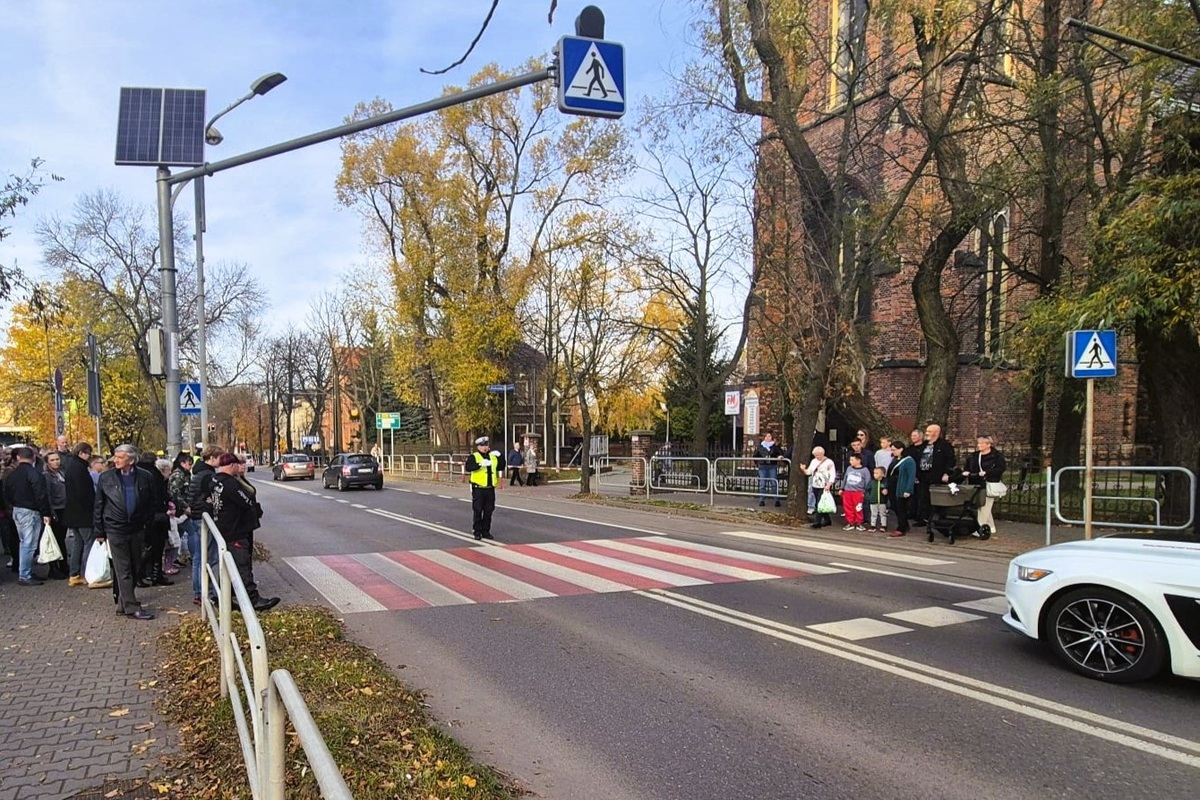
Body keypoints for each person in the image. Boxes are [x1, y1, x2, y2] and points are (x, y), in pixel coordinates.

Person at [211, 453, 279, 613]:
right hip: (235, 530)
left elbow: (209, 502)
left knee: (228, 566)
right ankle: (253, 599)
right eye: (238, 464)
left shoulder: (214, 481)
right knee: (242, 565)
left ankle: (223, 598)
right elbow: (247, 501)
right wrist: (256, 510)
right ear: (232, 465)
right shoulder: (230, 484)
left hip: (223, 528)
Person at [93, 444, 155, 620]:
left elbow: (151, 502)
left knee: (136, 566)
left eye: (119, 457)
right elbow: (98, 505)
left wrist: (147, 524)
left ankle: (123, 602)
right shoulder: (106, 478)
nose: (115, 460)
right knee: (123, 568)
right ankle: (131, 606)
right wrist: (99, 531)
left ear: (131, 459)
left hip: (136, 527)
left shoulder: (145, 477)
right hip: (115, 528)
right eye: (115, 457)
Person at [2, 446, 52, 586]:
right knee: (29, 544)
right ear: (34, 457)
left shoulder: (12, 474)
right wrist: (46, 512)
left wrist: (11, 506)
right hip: (30, 510)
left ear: (18, 457)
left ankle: (25, 570)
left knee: (23, 541)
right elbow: (41, 494)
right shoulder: (34, 473)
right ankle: (25, 574)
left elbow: (6, 491)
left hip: (17, 509)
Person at [186, 446, 224, 604]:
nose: (221, 461)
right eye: (219, 457)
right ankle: (204, 592)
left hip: (196, 516)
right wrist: (210, 503)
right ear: (213, 458)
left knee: (198, 556)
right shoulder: (208, 475)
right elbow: (207, 497)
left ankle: (199, 592)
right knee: (208, 557)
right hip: (204, 517)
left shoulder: (198, 473)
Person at [136, 451, 172, 587]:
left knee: (145, 547)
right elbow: (158, 495)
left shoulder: (137, 473)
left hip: (141, 516)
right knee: (156, 547)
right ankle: (155, 575)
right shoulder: (154, 475)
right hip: (156, 516)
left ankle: (141, 574)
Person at [63, 442, 97, 586]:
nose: (89, 457)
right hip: (83, 513)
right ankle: (88, 573)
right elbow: (84, 492)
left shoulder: (71, 466)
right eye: (88, 453)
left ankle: (74, 573)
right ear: (82, 453)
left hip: (73, 512)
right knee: (88, 541)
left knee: (78, 543)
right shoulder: (80, 468)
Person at [962, 435, 1007, 538]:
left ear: (988, 445)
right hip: (976, 483)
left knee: (984, 506)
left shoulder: (997, 456)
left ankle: (979, 528)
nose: (979, 445)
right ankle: (991, 526)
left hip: (989, 484)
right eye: (978, 443)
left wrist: (988, 472)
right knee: (982, 505)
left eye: (982, 443)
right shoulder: (974, 456)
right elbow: (968, 467)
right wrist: (967, 472)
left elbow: (1000, 469)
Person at [915, 423, 956, 525]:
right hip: (923, 474)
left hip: (937, 475)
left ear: (936, 433)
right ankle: (924, 518)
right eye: (927, 431)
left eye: (929, 431)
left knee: (937, 497)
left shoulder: (944, 445)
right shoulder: (923, 445)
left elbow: (951, 460)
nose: (926, 433)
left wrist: (947, 473)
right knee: (923, 496)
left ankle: (939, 518)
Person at [465, 436, 505, 540]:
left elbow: (501, 466)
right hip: (478, 488)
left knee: (489, 510)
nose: (485, 447)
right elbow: (468, 467)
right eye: (482, 446)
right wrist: (479, 464)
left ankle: (486, 531)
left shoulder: (492, 457)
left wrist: (500, 456)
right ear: (478, 447)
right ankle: (477, 532)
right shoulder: (474, 456)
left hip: (489, 488)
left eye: (486, 445)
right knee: (478, 510)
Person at [41, 451, 70, 579]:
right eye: (52, 460)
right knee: (54, 539)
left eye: (57, 459)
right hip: (55, 510)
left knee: (61, 539)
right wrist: (50, 512)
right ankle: (54, 567)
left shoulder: (61, 473)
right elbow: (47, 494)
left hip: (64, 508)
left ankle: (63, 565)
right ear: (47, 462)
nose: (56, 462)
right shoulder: (46, 476)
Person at [801, 446, 837, 528]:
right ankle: (827, 520)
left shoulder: (829, 462)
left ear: (822, 454)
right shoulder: (814, 461)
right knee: (820, 503)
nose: (817, 457)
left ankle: (817, 522)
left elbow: (832, 474)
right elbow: (809, 472)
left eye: (818, 455)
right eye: (816, 455)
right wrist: (804, 469)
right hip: (815, 484)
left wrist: (829, 484)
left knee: (819, 503)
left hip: (824, 485)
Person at [887, 440, 916, 538]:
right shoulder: (895, 460)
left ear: (901, 449)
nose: (893, 452)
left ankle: (901, 527)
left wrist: (908, 489)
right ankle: (904, 524)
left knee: (901, 508)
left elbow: (911, 476)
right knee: (894, 507)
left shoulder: (909, 460)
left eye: (894, 450)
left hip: (901, 486)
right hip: (893, 486)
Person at [840, 452, 871, 531]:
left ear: (858, 460)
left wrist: (865, 492)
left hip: (858, 492)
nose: (850, 461)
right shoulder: (849, 468)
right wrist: (842, 488)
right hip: (848, 491)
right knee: (848, 507)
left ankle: (859, 522)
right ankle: (850, 522)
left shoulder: (865, 470)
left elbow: (868, 482)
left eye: (852, 460)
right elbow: (845, 479)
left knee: (858, 508)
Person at [755, 432, 784, 507]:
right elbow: (755, 455)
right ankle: (762, 500)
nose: (768, 438)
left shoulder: (775, 446)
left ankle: (776, 500)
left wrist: (780, 456)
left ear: (772, 437)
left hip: (772, 466)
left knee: (774, 483)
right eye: (766, 436)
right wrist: (758, 463)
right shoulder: (760, 446)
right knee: (762, 484)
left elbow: (780, 453)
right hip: (763, 466)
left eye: (769, 436)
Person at [866, 466, 888, 532]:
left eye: (877, 473)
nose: (875, 475)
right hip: (873, 501)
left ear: (882, 474)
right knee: (873, 514)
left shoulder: (885, 482)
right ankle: (873, 525)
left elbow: (888, 488)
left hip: (882, 501)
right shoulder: (872, 482)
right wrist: (869, 497)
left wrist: (886, 491)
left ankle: (884, 525)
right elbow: (867, 490)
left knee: (883, 514)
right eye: (874, 473)